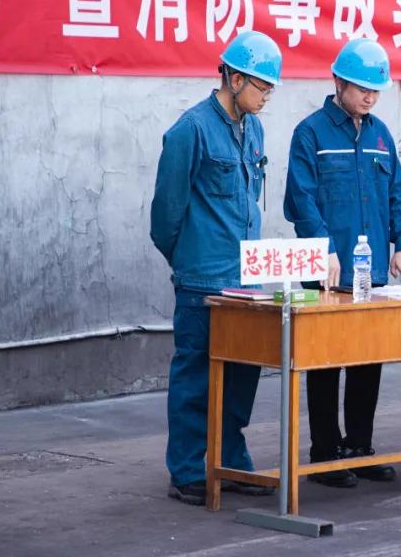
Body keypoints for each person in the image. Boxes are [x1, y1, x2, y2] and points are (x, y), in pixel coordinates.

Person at [150, 30, 281, 505]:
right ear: (236, 78)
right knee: (195, 376)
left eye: (271, 89)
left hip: (246, 279)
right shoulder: (191, 129)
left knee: (242, 372)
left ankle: (231, 461)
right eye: (262, 87)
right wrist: (190, 258)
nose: (266, 97)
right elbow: (165, 214)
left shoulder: (253, 130)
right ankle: (187, 470)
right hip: (202, 281)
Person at [284, 37, 401, 488]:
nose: (370, 97)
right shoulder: (310, 132)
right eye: (363, 88)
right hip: (326, 272)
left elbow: (398, 192)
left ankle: (359, 448)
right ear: (338, 82)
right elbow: (301, 198)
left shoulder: (381, 135)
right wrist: (322, 246)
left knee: (367, 360)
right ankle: (325, 453)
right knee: (324, 363)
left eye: (376, 90)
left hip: (372, 270)